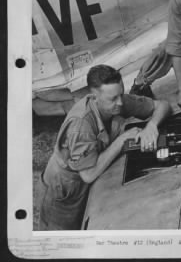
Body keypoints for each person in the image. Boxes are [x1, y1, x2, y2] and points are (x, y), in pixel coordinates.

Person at [38, 64, 171, 230]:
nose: (121, 103)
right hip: (64, 190)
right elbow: (88, 174)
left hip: (89, 174)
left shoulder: (116, 100)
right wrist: (121, 141)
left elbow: (163, 105)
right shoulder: (81, 125)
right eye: (113, 99)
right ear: (94, 97)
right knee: (61, 243)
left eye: (121, 94)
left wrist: (152, 125)